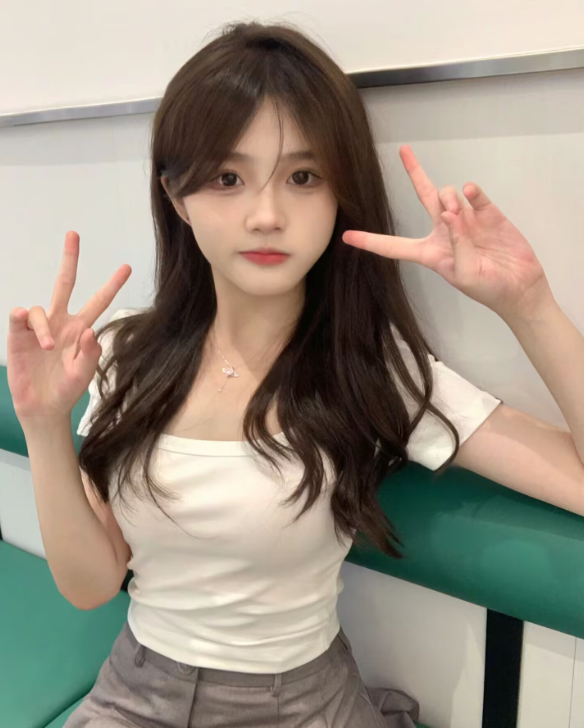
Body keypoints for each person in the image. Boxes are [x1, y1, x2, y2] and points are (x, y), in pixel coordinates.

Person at [8, 19, 503, 728]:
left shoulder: (368, 367)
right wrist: (44, 425)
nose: (267, 215)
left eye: (303, 177)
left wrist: (525, 303)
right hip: (134, 693)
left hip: (300, 704)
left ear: (340, 194)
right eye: (228, 178)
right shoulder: (124, 351)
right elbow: (92, 584)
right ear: (176, 197)